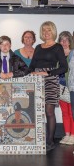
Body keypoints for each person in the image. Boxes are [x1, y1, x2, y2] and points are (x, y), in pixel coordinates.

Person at [29, 21, 68, 151]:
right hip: (37, 81)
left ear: (53, 32)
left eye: (49, 30)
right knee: (37, 112)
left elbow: (64, 67)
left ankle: (50, 142)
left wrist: (48, 72)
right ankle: (38, 140)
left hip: (50, 80)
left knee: (49, 111)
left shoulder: (58, 47)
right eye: (44, 30)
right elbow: (32, 65)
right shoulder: (39, 47)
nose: (46, 33)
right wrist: (26, 74)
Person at [57, 31, 74, 145]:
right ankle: (67, 134)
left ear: (70, 42)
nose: (64, 42)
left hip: (71, 86)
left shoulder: (72, 54)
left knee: (72, 112)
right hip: (60, 87)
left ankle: (73, 135)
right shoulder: (57, 54)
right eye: (62, 40)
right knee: (64, 112)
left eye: (66, 40)